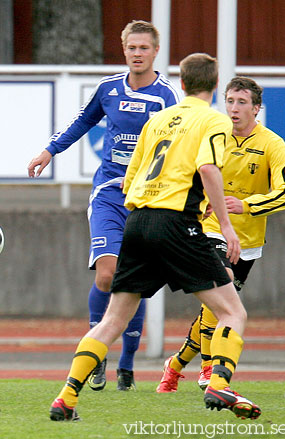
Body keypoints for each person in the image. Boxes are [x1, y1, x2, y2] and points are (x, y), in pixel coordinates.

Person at [48, 53, 261, 421]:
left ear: (181, 84)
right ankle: (219, 383)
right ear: (214, 86)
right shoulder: (213, 120)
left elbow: (131, 177)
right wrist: (225, 225)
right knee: (231, 310)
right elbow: (208, 167)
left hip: (138, 220)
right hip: (177, 223)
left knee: (113, 319)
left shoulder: (158, 118)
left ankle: (66, 397)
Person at [27, 20, 180, 391]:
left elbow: (179, 148)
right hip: (109, 193)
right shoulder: (108, 88)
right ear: (124, 49)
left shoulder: (167, 97)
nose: (137, 54)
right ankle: (98, 354)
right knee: (107, 274)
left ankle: (126, 363)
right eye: (132, 48)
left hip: (148, 198)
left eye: (144, 48)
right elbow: (82, 122)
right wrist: (49, 151)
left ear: (155, 51)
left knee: (135, 280)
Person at [157, 76, 285, 393]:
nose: (234, 108)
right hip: (209, 229)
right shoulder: (213, 136)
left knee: (219, 309)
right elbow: (185, 173)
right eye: (230, 101)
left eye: (242, 102)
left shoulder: (271, 144)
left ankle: (175, 365)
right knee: (222, 287)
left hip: (248, 241)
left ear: (256, 108)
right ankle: (210, 370)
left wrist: (246, 206)